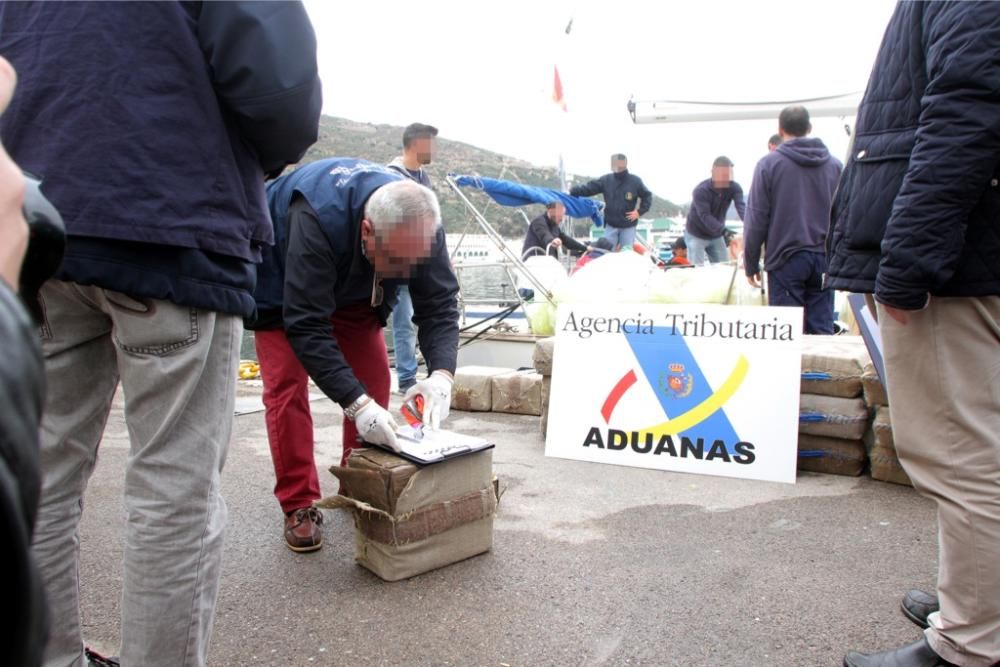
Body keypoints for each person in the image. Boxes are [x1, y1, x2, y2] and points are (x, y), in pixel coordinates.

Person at [0, 4, 322, 666]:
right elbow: (280, 92)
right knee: (174, 487)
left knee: (42, 473)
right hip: (174, 218)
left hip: (37, 220)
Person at [826, 4, 1000, 666]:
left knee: (963, 457)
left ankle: (971, 642)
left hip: (960, 263)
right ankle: (978, 601)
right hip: (976, 250)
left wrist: (908, 261)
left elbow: (968, 104)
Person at [248, 158, 460, 554]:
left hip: (361, 288)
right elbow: (306, 324)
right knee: (286, 387)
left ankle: (358, 482)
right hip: (283, 283)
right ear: (367, 231)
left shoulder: (422, 228)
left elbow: (441, 305)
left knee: (374, 381)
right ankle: (299, 503)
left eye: (413, 263)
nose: (406, 272)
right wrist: (355, 405)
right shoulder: (315, 216)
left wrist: (441, 377)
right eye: (397, 262)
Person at [0, 55, 50, 667]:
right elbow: (281, 96)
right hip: (173, 243)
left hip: (66, 275)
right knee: (175, 487)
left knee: (58, 460)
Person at [743, 106, 842, 335]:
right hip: (824, 259)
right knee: (822, 332)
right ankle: (819, 372)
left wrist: (750, 262)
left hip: (784, 259)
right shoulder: (835, 166)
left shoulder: (768, 165)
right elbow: (844, 215)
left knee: (787, 334)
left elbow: (756, 217)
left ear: (780, 129)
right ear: (809, 128)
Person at [386, 122, 438, 394]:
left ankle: (432, 374)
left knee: (430, 318)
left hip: (425, 265)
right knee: (404, 321)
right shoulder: (391, 177)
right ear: (417, 144)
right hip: (401, 266)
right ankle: (406, 379)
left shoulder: (424, 179)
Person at [570, 153, 652, 250]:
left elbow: (647, 195)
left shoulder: (635, 181)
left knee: (626, 254)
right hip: (611, 225)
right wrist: (573, 191)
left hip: (628, 225)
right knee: (606, 251)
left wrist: (639, 211)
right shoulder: (606, 180)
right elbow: (590, 188)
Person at [685, 156, 746, 264]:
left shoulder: (735, 188)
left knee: (724, 267)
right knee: (696, 271)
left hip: (716, 235)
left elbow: (741, 207)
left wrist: (750, 224)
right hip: (696, 234)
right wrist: (724, 231)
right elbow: (705, 216)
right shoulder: (700, 190)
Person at [522, 201, 589, 259]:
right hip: (532, 261)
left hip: (546, 261)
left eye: (562, 214)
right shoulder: (539, 222)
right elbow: (544, 234)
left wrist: (585, 248)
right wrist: (552, 240)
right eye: (559, 214)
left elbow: (567, 240)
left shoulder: (555, 226)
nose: (562, 218)